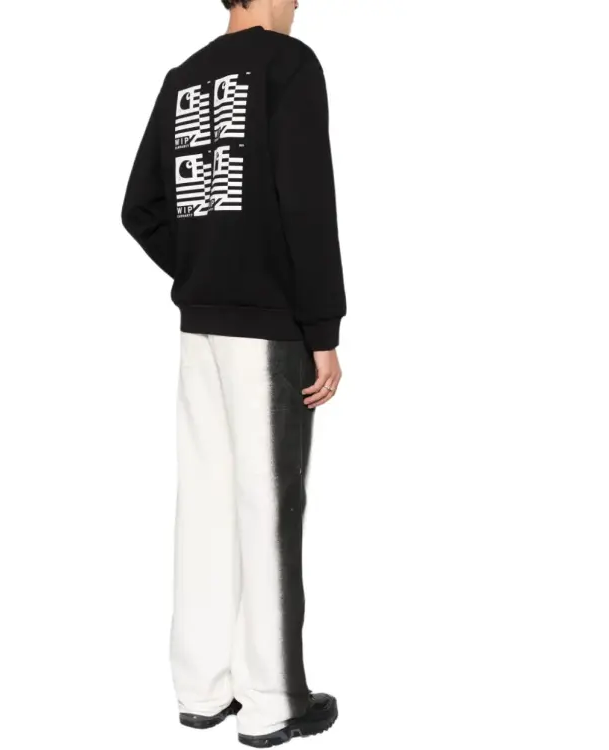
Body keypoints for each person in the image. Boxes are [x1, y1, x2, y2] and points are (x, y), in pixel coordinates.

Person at [121, 0, 346, 745]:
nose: (301, 5)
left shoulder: (183, 78)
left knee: (207, 500)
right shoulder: (289, 66)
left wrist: (207, 268)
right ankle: (274, 700)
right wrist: (323, 328)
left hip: (202, 328)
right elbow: (306, 203)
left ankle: (201, 687)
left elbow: (141, 208)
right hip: (269, 329)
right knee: (268, 509)